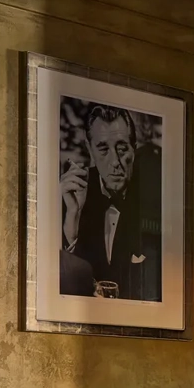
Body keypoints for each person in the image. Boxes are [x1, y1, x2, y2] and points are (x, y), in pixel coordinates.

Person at [59, 103, 162, 301]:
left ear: (134, 149)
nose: (115, 162)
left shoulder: (154, 196)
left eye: (122, 149)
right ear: (90, 150)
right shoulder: (70, 194)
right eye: (103, 149)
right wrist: (73, 217)